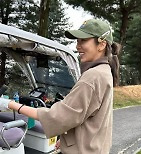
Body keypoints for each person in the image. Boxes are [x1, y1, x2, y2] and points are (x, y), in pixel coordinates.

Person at [0, 19, 120, 154]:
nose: (77, 46)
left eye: (83, 40)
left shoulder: (93, 77)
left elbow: (56, 116)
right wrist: (67, 139)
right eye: (77, 41)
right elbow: (83, 116)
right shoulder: (104, 71)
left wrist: (11, 104)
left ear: (102, 44)